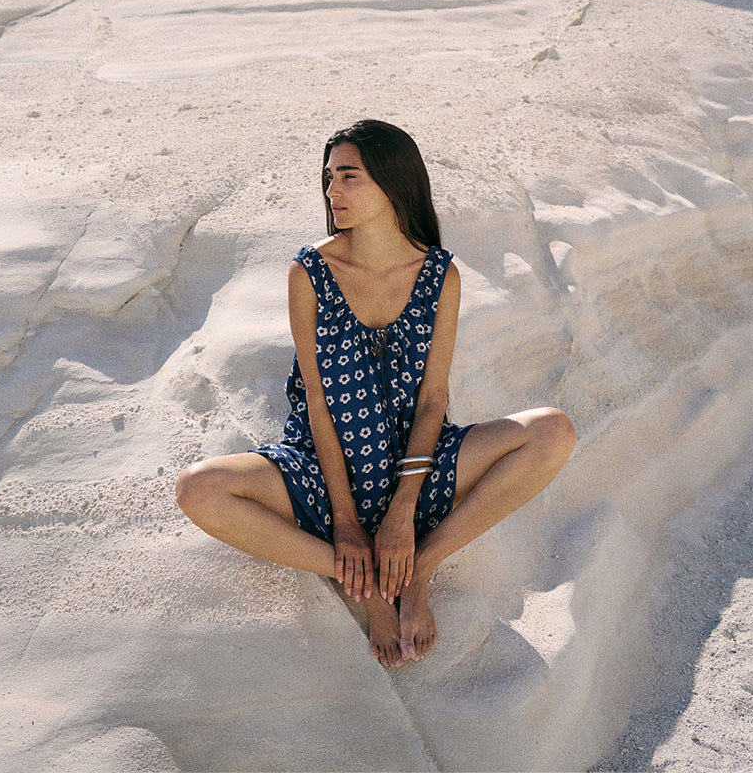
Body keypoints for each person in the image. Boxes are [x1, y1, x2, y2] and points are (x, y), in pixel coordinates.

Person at [176, 119, 577, 668]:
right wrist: (345, 522)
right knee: (198, 489)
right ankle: (361, 582)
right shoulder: (310, 272)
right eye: (328, 177)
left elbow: (432, 401)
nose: (331, 191)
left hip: (418, 468)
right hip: (323, 473)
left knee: (553, 430)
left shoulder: (439, 275)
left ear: (392, 181)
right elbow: (317, 400)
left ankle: (419, 568)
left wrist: (402, 515)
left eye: (349, 176)